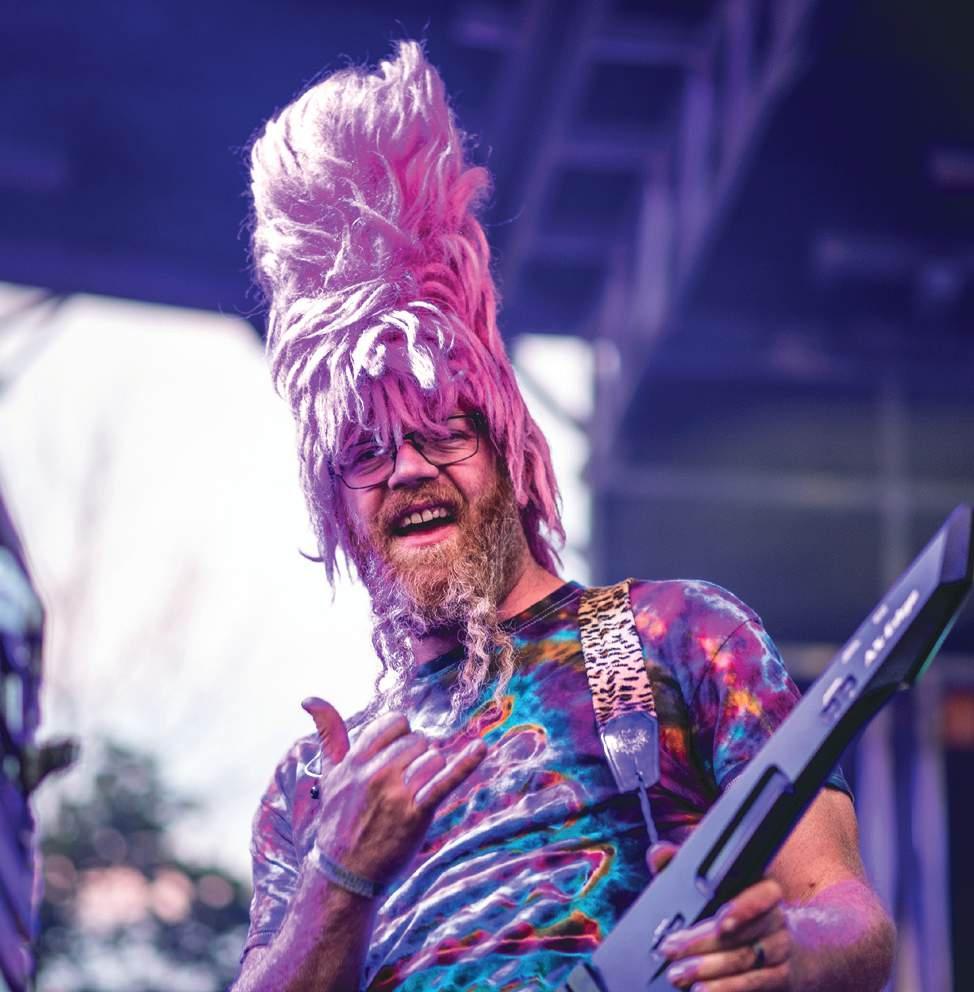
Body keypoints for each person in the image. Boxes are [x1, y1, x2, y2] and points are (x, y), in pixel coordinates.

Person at [233, 41, 895, 992]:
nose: (408, 468)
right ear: (337, 506)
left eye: (442, 432)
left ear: (510, 449)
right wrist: (338, 875)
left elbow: (851, 919)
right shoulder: (314, 782)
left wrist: (783, 950)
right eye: (366, 453)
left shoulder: (671, 634)